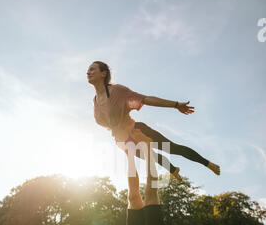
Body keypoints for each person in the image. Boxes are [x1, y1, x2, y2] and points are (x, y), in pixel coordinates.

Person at [87, 60, 220, 182]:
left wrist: (175, 104)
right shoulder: (95, 100)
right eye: (88, 70)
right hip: (123, 141)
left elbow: (146, 99)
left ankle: (207, 163)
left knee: (172, 148)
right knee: (153, 157)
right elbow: (105, 122)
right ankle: (173, 169)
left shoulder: (117, 91)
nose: (88, 72)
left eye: (92, 69)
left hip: (138, 130)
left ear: (103, 73)